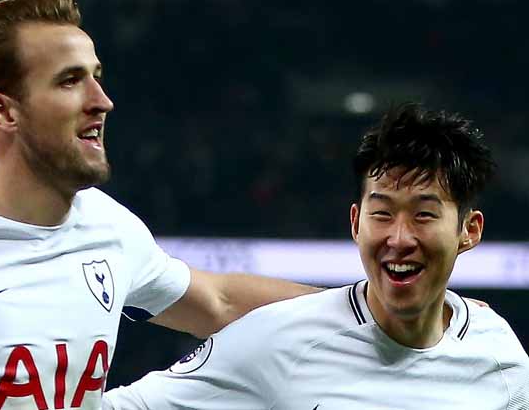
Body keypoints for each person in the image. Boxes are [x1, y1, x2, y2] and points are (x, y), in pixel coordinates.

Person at [0, 0, 319, 409]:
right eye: (69, 80)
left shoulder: (112, 228)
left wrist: (361, 305)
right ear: (4, 112)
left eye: (95, 75)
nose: (101, 100)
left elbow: (218, 302)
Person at [103, 103, 529, 409]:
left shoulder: (499, 357)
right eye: (381, 214)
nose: (399, 237)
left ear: (468, 231)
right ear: (355, 223)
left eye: (423, 215)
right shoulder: (280, 341)